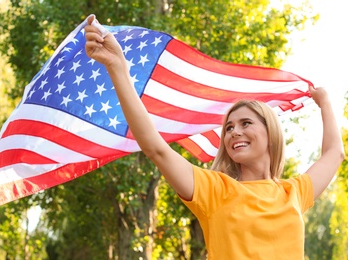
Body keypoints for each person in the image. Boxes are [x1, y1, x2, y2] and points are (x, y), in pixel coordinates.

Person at [84, 15, 345, 259]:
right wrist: (117, 67)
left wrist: (324, 102)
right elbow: (156, 148)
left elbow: (335, 154)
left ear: (271, 133)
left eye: (245, 123)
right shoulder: (215, 191)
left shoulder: (294, 192)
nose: (234, 132)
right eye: (229, 128)